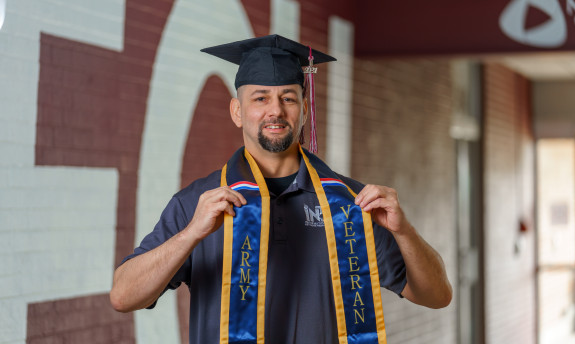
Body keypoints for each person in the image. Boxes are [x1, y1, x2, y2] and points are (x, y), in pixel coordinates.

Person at [110, 34, 452, 344]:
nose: (275, 110)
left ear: (304, 110)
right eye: (260, 98)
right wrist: (190, 236)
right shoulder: (199, 204)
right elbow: (123, 297)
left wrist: (404, 231)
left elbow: (438, 296)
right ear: (237, 111)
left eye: (288, 98)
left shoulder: (352, 203)